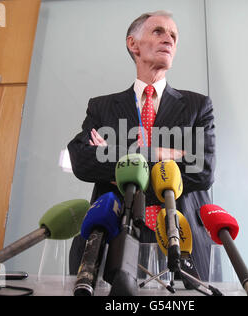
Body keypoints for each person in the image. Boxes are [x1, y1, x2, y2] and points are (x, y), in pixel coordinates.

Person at [68, 10, 216, 281]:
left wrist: (120, 158)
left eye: (173, 35)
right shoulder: (102, 107)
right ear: (133, 44)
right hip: (111, 240)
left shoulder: (197, 106)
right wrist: (164, 155)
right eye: (158, 31)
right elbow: (81, 160)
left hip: (182, 243)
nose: (168, 39)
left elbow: (202, 170)